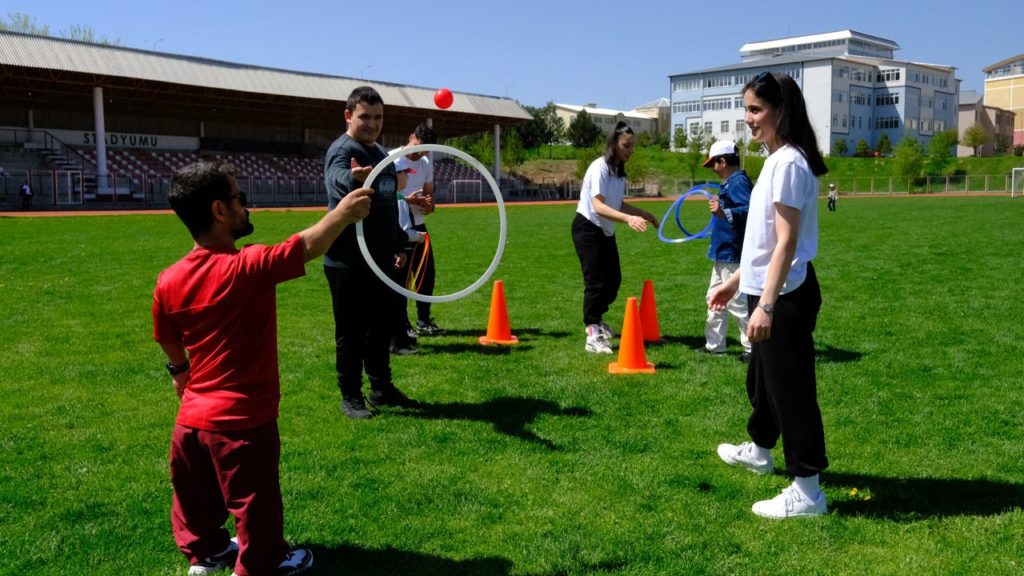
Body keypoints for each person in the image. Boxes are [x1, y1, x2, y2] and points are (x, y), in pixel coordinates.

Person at [153, 161, 372, 575]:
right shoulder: (246, 266)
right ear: (219, 210)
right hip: (242, 422)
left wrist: (180, 370)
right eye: (240, 198)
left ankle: (207, 553)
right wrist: (343, 213)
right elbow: (305, 245)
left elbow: (166, 333)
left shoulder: (169, 279)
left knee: (195, 501)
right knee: (255, 502)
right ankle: (262, 563)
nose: (246, 206)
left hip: (190, 425)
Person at [709, 71, 830, 519]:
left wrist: (766, 304)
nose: (748, 119)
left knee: (791, 392)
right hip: (766, 289)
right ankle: (761, 451)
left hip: (785, 295)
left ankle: (808, 491)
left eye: (756, 109)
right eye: (746, 110)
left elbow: (786, 242)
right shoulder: (776, 160)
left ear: (781, 110)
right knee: (761, 383)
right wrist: (737, 281)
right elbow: (763, 243)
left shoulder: (790, 163)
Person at [323, 86, 416, 420]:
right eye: (365, 117)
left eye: (378, 117)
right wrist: (353, 178)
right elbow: (336, 179)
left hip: (380, 260)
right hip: (348, 261)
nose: (373, 124)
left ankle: (381, 388)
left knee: (380, 327)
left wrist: (399, 245)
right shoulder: (343, 150)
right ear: (349, 116)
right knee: (350, 332)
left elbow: (387, 207)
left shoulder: (380, 153)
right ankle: (350, 395)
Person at [571, 122, 658, 354]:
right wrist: (628, 219)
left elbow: (616, 204)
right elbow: (598, 206)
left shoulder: (618, 173)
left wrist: (642, 213)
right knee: (596, 282)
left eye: (632, 146)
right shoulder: (599, 167)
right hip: (587, 228)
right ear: (613, 144)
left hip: (604, 230)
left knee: (613, 281)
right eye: (626, 145)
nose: (631, 150)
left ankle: (597, 320)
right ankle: (592, 332)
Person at [390, 123, 444, 356]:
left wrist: (429, 205)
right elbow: (385, 193)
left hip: (418, 223)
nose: (420, 153)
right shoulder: (392, 158)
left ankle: (423, 320)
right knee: (400, 276)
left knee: (426, 273)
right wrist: (407, 200)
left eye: (426, 150)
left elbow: (429, 192)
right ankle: (402, 324)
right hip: (398, 224)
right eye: (418, 146)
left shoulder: (425, 162)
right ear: (411, 136)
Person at [701, 140, 753, 362]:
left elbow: (750, 209)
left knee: (737, 302)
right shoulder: (730, 183)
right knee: (714, 298)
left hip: (733, 253)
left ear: (722, 161)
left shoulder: (738, 182)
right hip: (723, 252)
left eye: (713, 164)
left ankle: (752, 348)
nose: (713, 169)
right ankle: (714, 346)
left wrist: (724, 211)